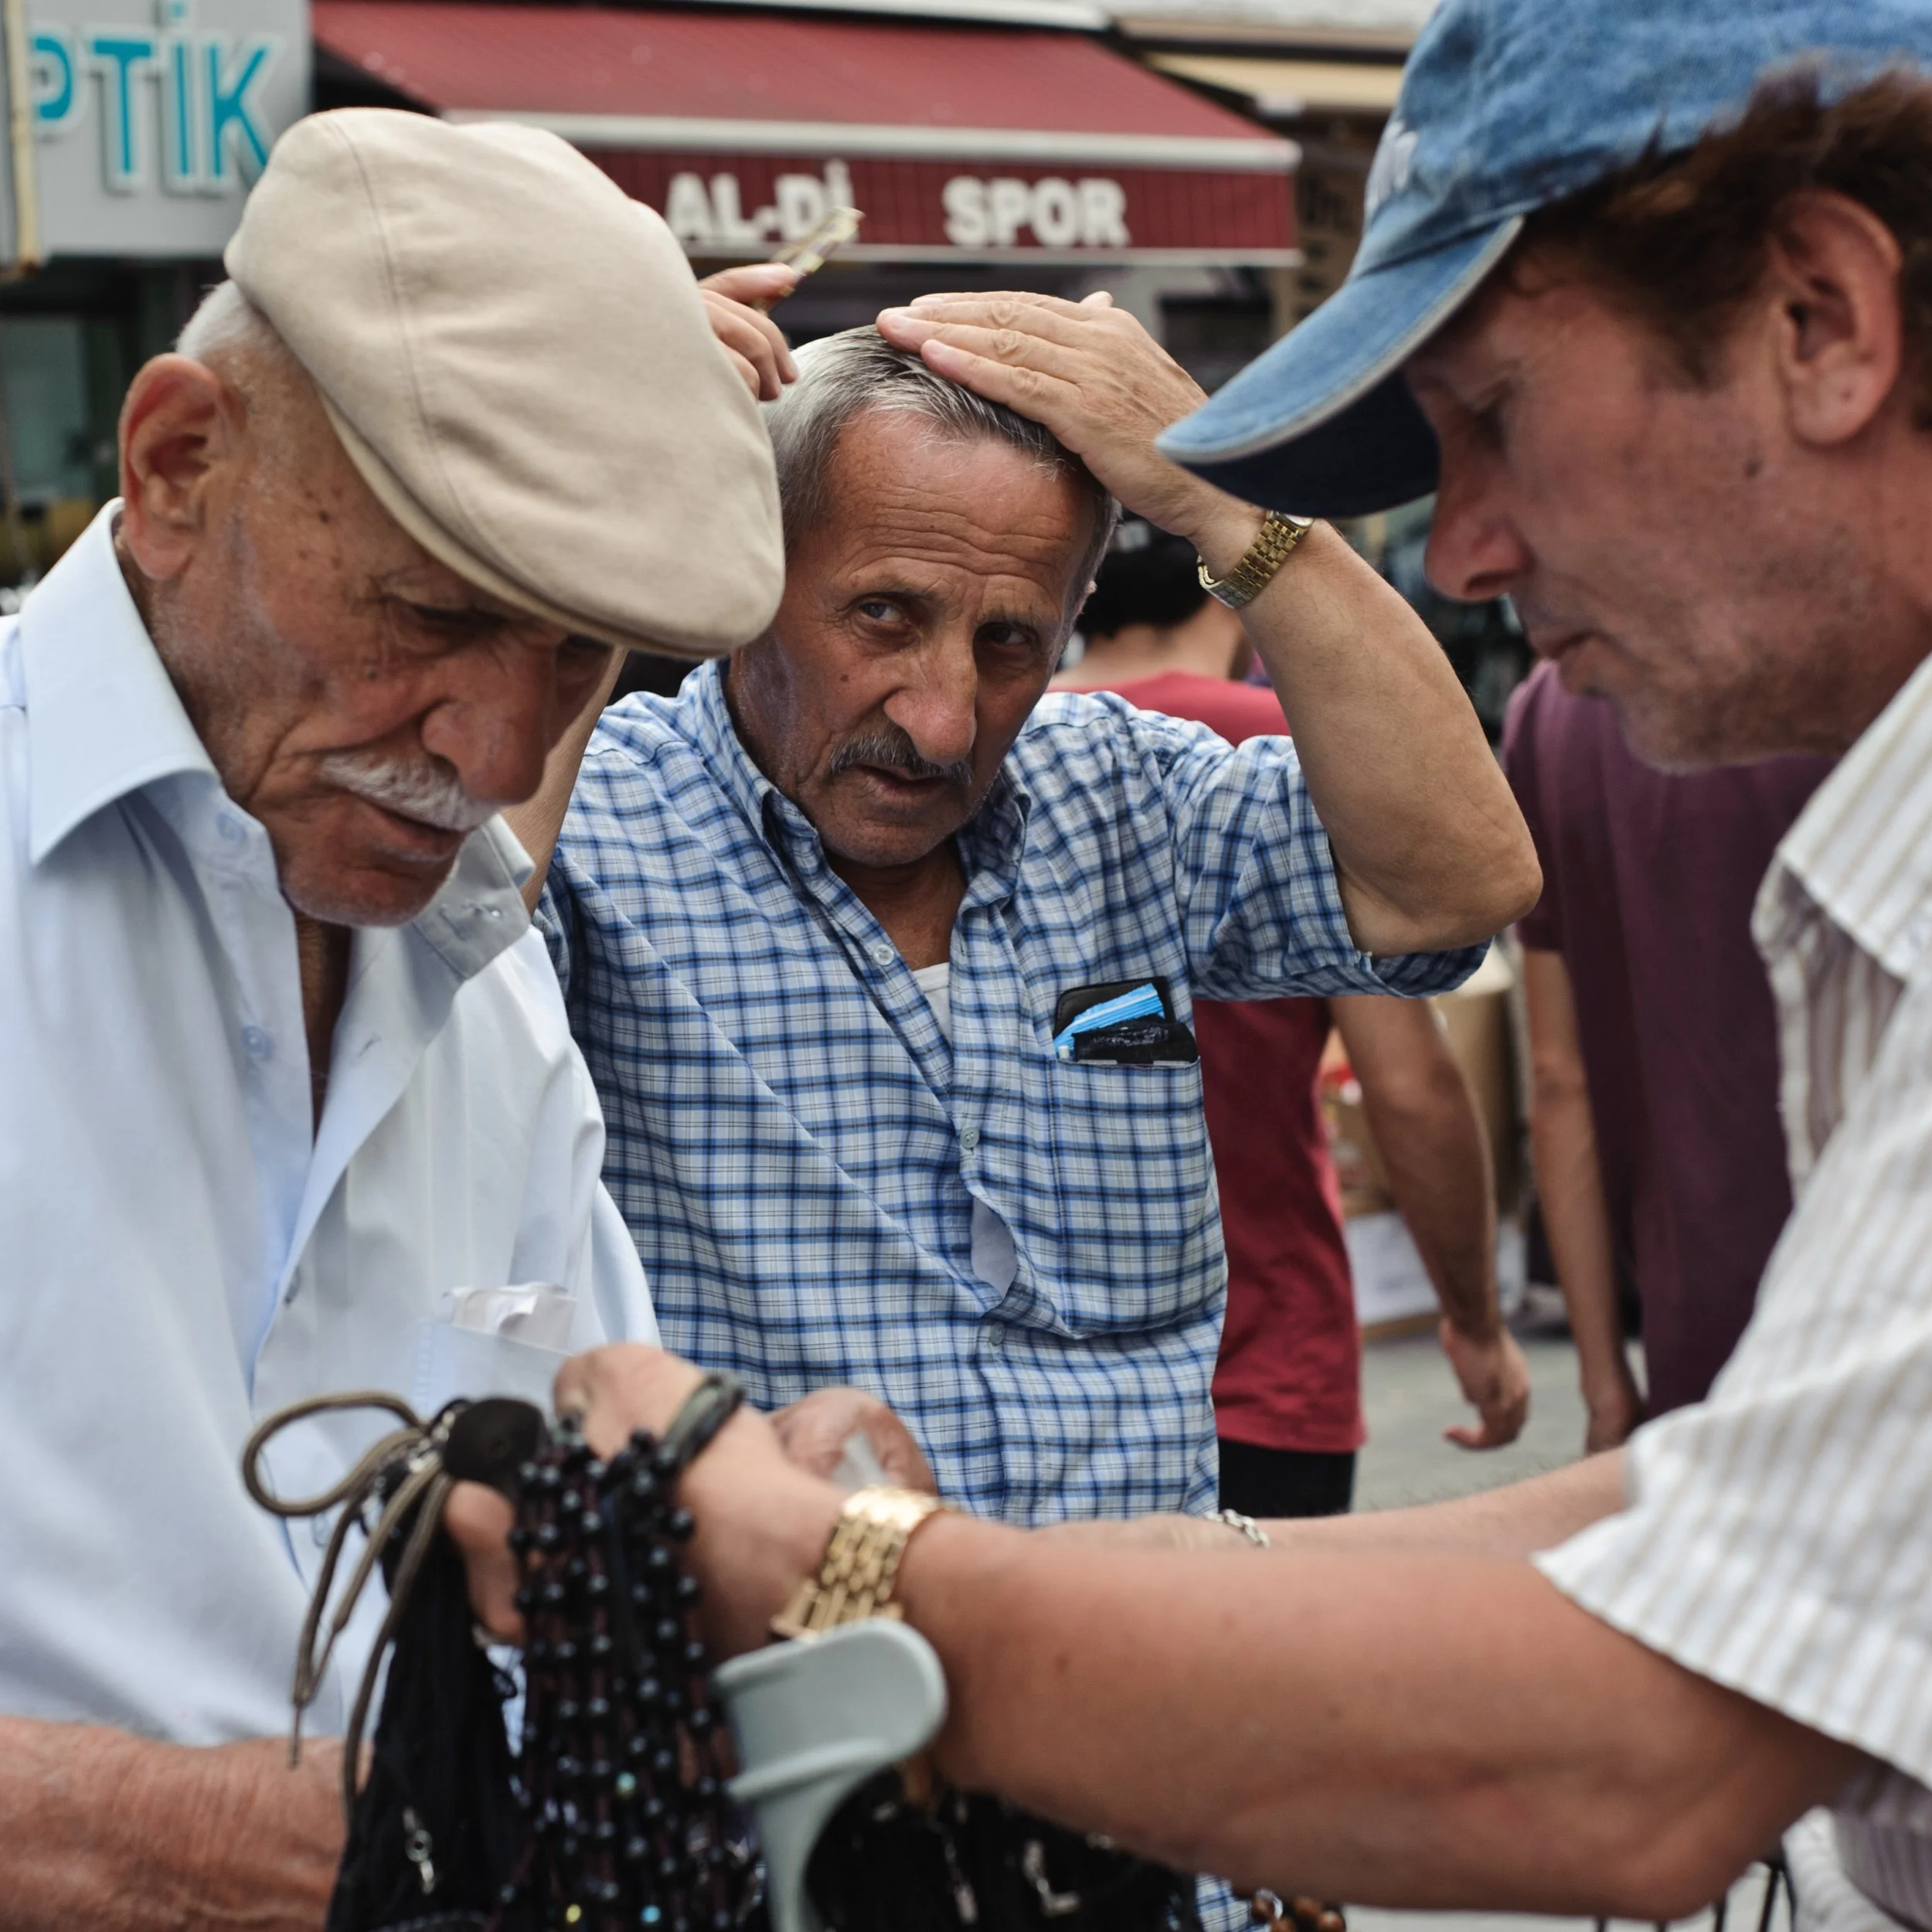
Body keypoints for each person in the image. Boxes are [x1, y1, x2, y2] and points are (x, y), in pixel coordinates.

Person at [452, 2, 1932, 1927]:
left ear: (1822, 324)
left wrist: (816, 1566)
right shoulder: (619, 814)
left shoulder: (1135, 791)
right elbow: (1723, 1539)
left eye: (1487, 417)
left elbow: (1641, 1749)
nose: (1466, 550)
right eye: (879, 614)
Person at [0, 107, 796, 1928]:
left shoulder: (486, 976)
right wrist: (170, 1843)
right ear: (182, 460)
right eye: (430, 614)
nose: (500, 756)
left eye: (582, 661)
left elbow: (541, 1422)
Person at [508, 319, 1537, 1536]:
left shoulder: (1129, 795)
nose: (943, 722)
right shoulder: (593, 824)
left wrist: (1233, 512)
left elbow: (1459, 883)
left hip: (1145, 1666)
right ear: (746, 567)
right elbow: (427, 980)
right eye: (883, 617)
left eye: (1010, 643)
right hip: (779, 1684)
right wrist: (589, 529)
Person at [1058, 515, 1529, 1514]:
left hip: (1052, 1367)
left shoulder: (996, 739)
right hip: (1261, 1353)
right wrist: (1476, 1322)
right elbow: (1405, 1084)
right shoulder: (1269, 746)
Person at [1504, 662, 1832, 1448]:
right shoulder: (1848, 646)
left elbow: (1558, 1078)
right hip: (1873, 1298)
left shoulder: (1548, 710)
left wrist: (1602, 1380)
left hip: (1695, 1321)